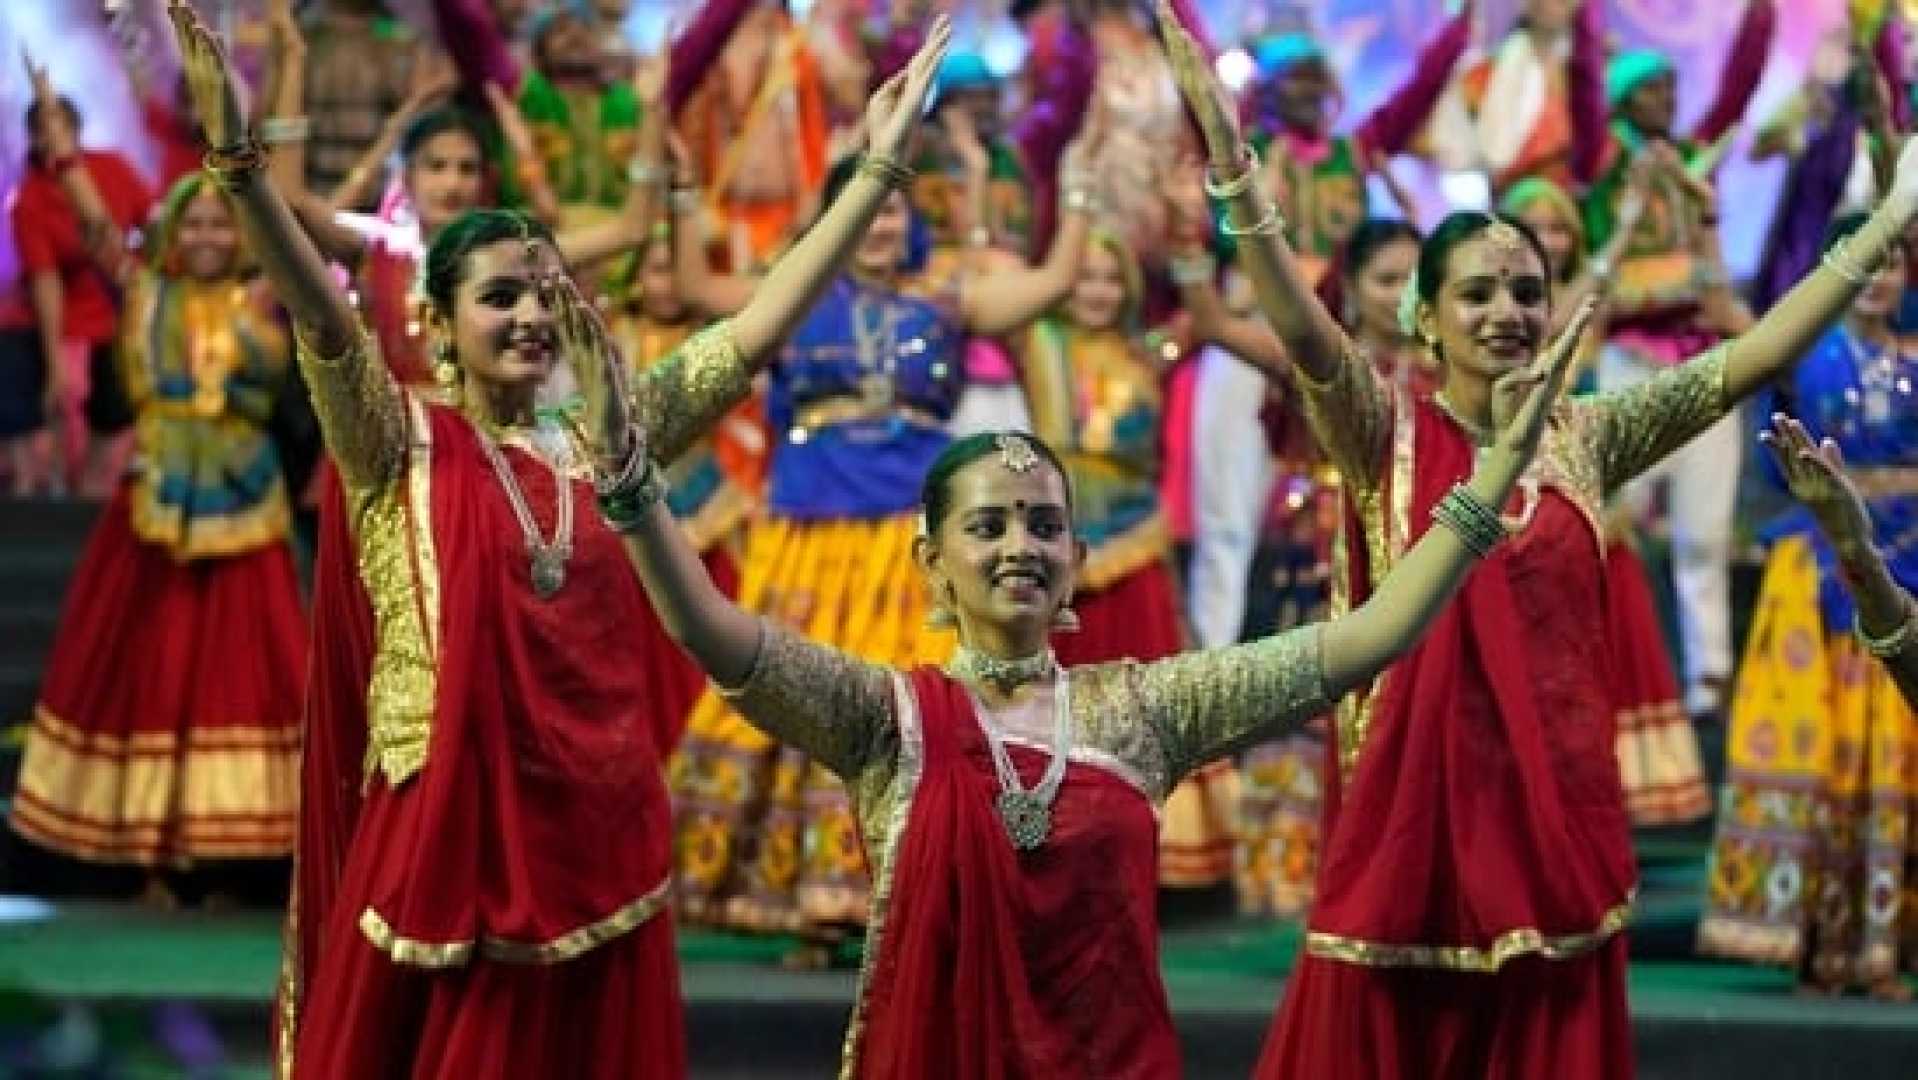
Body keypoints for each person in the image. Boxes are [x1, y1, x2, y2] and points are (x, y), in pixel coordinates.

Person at [165, 4, 955, 1071]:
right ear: (438, 326)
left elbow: (761, 324)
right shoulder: (396, 440)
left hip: (596, 830)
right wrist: (239, 165)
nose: (532, 315)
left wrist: (872, 169)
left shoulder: (607, 441)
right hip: (447, 833)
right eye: (500, 298)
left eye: (544, 292)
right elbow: (317, 311)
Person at [1153, 4, 1918, 1073]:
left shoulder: (1587, 437)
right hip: (1411, 817)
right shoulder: (1382, 429)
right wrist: (1235, 174)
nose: (1506, 310)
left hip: (1549, 807)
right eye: (1475, 293)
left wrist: (1885, 224)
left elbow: (1742, 366)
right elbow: (1293, 323)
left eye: (1525, 291)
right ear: (1424, 321)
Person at [598, 306, 1587, 1074]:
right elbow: (711, 633)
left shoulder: (1146, 711)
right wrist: (637, 494)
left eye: (1039, 526)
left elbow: (1371, 637)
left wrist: (1481, 492)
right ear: (932, 562)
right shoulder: (884, 717)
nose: (1018, 545)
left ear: (1074, 558)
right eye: (987, 528)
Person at [663, 105, 1098, 958]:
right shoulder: (795, 294)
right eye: (870, 204)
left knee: (917, 707)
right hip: (812, 530)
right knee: (801, 698)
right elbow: (693, 288)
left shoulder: (946, 295)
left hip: (913, 541)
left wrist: (1074, 182)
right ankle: (811, 897)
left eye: (898, 206)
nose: (883, 220)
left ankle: (916, 895)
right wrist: (678, 185)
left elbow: (1048, 287)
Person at [8, 167, 305, 905]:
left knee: (237, 675)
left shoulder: (264, 297)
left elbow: (288, 215)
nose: (207, 236)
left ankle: (229, 858)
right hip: (155, 515)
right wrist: (67, 156)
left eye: (221, 223)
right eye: (194, 223)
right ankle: (150, 857)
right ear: (173, 233)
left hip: (244, 503)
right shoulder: (147, 293)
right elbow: (99, 232)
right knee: (154, 670)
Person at [1700, 221, 1918, 1001]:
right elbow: (1769, 450)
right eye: (1869, 263)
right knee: (1827, 754)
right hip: (1816, 566)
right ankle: (1815, 942)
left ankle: (1881, 946)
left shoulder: (1915, 361)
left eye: (1895, 260)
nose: (1883, 278)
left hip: (1906, 562)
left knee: (1892, 750)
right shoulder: (1797, 363)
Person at [1500, 174, 1711, 826]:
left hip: (1594, 508)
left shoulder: (1597, 314)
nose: (1552, 238)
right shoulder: (1507, 318)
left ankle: (1609, 808)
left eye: (1562, 225)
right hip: (1519, 512)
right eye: (1538, 227)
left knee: (1609, 656)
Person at [1588, 0, 1776, 721]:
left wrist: (1761, 16)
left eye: (1671, 87)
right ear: (1622, 100)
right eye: (1651, 89)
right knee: (1608, 527)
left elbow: (1737, 89)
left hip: (1699, 361)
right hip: (1628, 363)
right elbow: (1581, 86)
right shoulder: (1602, 166)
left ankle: (1709, 682)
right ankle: (1607, 670)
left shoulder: (1693, 158)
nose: (1668, 99)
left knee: (1703, 532)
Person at [1239, 6, 1471, 287]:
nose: (1310, 90)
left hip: (1342, 304)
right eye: (1296, 78)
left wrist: (1461, 26)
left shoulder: (1351, 150)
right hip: (1261, 301)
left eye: (1317, 79)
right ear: (1268, 87)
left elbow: (1418, 92)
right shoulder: (1243, 150)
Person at [11, 63, 155, 496]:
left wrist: (151, 289)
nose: (50, 141)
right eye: (43, 131)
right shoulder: (31, 199)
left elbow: (156, 227)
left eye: (58, 129)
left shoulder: (113, 167)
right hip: (74, 329)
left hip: (132, 311)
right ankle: (71, 501)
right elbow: (46, 283)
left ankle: (99, 495)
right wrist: (56, 359)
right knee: (69, 409)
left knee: (122, 424)